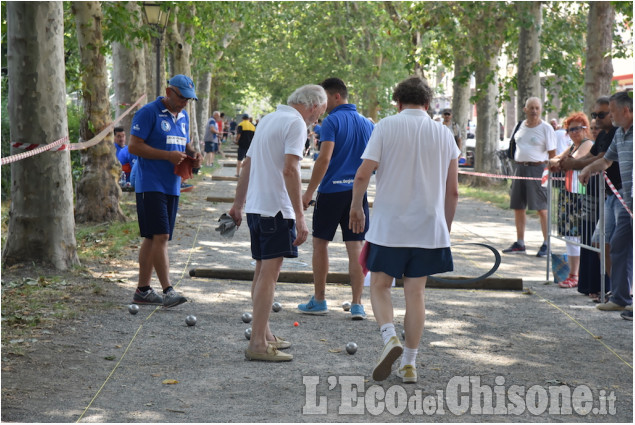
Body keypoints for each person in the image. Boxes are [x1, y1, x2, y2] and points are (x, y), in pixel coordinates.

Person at [349, 76, 459, 383]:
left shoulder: (385, 126)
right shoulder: (444, 134)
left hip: (389, 227)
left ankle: (389, 337)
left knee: (380, 286)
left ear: (398, 102)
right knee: (416, 293)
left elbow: (362, 175)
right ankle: (409, 363)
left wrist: (356, 206)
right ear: (427, 104)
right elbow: (453, 192)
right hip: (428, 227)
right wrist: (444, 230)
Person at [229, 84, 327, 362]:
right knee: (269, 276)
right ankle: (258, 343)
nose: (319, 117)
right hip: (276, 209)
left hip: (257, 207)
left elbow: (247, 165)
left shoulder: (269, 119)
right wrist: (300, 214)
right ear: (312, 104)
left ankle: (265, 333)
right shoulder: (295, 123)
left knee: (261, 272)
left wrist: (238, 204)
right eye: (321, 111)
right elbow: (290, 168)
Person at [298, 78, 375, 320]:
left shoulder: (331, 121)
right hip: (357, 194)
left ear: (337, 97)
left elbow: (324, 158)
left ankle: (319, 300)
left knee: (320, 244)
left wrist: (309, 192)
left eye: (324, 98)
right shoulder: (367, 123)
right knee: (355, 247)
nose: (321, 103)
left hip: (331, 192)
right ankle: (357, 304)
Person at [128, 74, 203, 308]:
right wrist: (166, 156)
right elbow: (134, 146)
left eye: (189, 99)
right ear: (169, 91)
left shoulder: (183, 117)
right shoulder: (148, 112)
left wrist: (194, 155)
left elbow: (183, 143)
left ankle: (142, 290)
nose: (185, 103)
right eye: (182, 97)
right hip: (150, 183)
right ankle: (168, 290)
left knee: (152, 237)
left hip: (173, 184)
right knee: (161, 236)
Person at [580, 90, 632, 315]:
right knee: (617, 246)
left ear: (626, 110)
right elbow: (607, 160)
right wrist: (588, 168)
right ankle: (620, 297)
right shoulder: (620, 134)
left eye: (611, 112)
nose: (610, 117)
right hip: (626, 203)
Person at [559, 97, 618, 301]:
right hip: (609, 196)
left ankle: (617, 292)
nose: (597, 120)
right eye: (594, 115)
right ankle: (611, 291)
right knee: (598, 242)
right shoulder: (605, 136)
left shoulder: (616, 134)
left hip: (619, 195)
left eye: (601, 115)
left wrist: (577, 166)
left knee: (613, 245)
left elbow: (602, 159)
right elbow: (594, 156)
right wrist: (573, 163)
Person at [503, 97, 556, 257]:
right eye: (531, 108)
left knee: (542, 208)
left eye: (537, 108)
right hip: (519, 169)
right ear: (525, 109)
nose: (534, 111)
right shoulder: (519, 126)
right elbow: (513, 146)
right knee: (518, 207)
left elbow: (553, 154)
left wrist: (548, 172)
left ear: (541, 110)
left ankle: (547, 244)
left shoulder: (546, 128)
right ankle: (520, 242)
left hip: (538, 169)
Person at [548, 112, 593, 288]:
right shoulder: (573, 146)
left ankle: (575, 274)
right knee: (569, 234)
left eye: (577, 128)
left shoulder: (586, 144)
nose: (573, 132)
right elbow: (554, 160)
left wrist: (560, 162)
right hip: (569, 193)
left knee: (575, 235)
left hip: (579, 194)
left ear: (585, 129)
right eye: (570, 129)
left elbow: (571, 161)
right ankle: (574, 273)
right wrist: (558, 161)